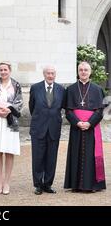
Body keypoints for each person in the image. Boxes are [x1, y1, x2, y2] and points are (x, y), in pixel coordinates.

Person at [64, 61, 106, 192]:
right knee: (75, 153)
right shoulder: (70, 89)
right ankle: (76, 185)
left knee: (91, 155)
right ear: (78, 71)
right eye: (81, 69)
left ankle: (91, 185)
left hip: (91, 128)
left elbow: (100, 110)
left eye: (86, 70)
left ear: (90, 72)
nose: (83, 72)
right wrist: (77, 122)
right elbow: (68, 110)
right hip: (76, 127)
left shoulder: (97, 89)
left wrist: (89, 123)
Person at [0, 62, 23, 195]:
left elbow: (19, 102)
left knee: (8, 151)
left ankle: (7, 182)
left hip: (10, 122)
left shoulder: (16, 85)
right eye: (1, 70)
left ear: (10, 70)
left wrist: (9, 110)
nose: (3, 72)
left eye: (5, 69)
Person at [29, 65, 65, 195]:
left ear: (55, 75)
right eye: (48, 73)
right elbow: (32, 107)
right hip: (38, 128)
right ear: (44, 74)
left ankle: (47, 184)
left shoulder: (61, 89)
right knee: (38, 158)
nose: (50, 76)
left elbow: (62, 107)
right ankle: (38, 184)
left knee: (51, 158)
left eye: (53, 73)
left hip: (54, 129)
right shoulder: (35, 88)